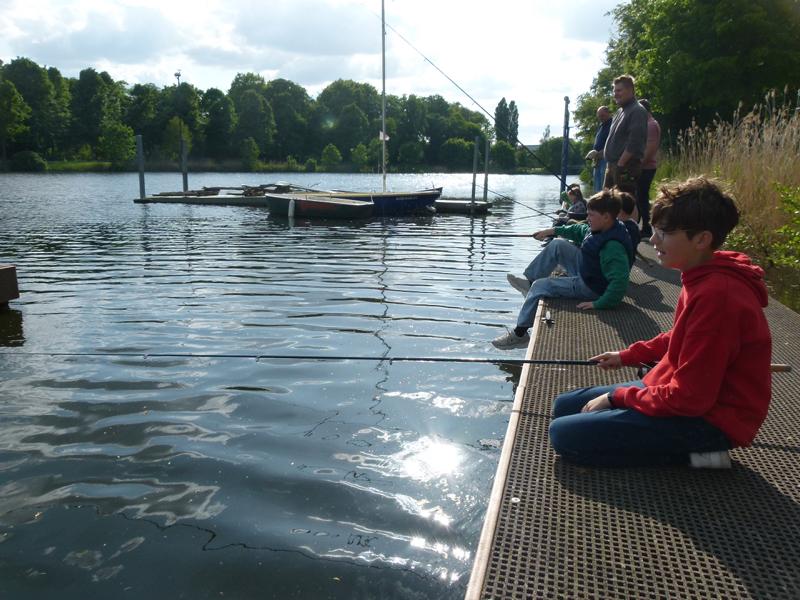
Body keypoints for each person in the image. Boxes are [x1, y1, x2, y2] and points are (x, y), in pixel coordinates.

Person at [548, 177, 772, 468]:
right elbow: (679, 336)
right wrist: (627, 356)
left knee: (563, 436)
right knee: (564, 406)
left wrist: (617, 398)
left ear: (701, 240)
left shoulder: (719, 296)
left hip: (711, 420)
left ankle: (702, 457)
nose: (652, 240)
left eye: (663, 233)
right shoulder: (701, 274)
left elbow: (690, 399)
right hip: (680, 391)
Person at [492, 189, 634, 350]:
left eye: (591, 215)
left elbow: (620, 282)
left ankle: (520, 334)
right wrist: (551, 231)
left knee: (540, 286)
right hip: (591, 271)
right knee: (557, 244)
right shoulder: (603, 227)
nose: (587, 218)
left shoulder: (613, 248)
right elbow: (579, 230)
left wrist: (600, 303)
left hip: (592, 287)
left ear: (606, 217)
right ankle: (528, 283)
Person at [603, 75, 649, 196]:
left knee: (625, 202)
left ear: (630, 90)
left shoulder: (637, 110)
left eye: (619, 90)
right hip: (613, 166)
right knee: (605, 203)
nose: (615, 94)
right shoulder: (620, 111)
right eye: (614, 91)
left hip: (626, 167)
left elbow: (635, 141)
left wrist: (620, 164)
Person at [636, 99, 661, 237]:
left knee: (642, 198)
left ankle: (646, 228)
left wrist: (639, 165)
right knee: (639, 197)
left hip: (646, 167)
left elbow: (651, 148)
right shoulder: (647, 124)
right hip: (644, 166)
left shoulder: (651, 125)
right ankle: (639, 225)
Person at [585, 106, 613, 192]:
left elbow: (614, 142)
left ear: (609, 113)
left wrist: (603, 151)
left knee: (604, 185)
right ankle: (597, 198)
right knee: (597, 185)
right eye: (599, 116)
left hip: (606, 159)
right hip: (597, 160)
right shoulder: (601, 126)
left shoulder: (612, 125)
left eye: (602, 115)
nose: (601, 118)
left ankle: (604, 199)